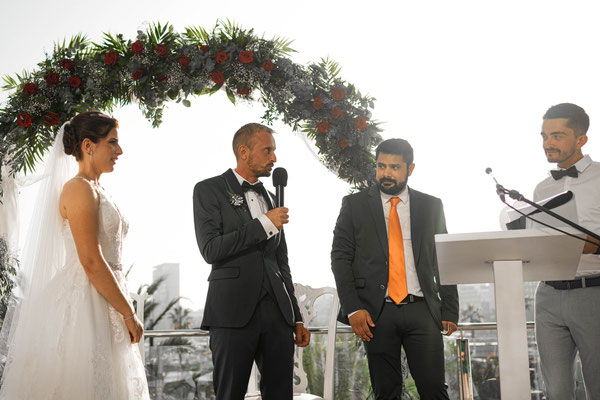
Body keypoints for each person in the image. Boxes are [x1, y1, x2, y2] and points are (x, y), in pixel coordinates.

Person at [0, 111, 149, 399]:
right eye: (112, 142)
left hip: (108, 298)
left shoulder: (98, 189)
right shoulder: (78, 189)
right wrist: (129, 314)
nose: (120, 151)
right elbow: (91, 261)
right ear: (87, 146)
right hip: (86, 300)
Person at [331, 138, 459, 399]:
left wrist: (449, 308)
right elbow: (340, 257)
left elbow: (443, 258)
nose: (386, 173)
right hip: (376, 312)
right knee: (386, 391)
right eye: (381, 166)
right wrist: (353, 307)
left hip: (422, 309)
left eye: (394, 167)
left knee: (434, 389)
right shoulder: (354, 205)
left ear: (410, 169)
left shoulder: (431, 206)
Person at [193, 123, 310, 400]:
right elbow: (210, 249)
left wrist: (296, 317)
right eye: (267, 150)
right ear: (243, 152)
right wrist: (263, 224)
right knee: (230, 393)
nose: (274, 158)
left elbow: (282, 263)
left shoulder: (271, 198)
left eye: (274, 151)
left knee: (281, 394)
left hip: (277, 316)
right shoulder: (209, 190)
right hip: (232, 313)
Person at [534, 103, 600, 399]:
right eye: (544, 136)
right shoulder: (541, 189)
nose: (548, 143)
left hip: (593, 291)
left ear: (581, 139)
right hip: (547, 295)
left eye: (557, 136)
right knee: (556, 391)